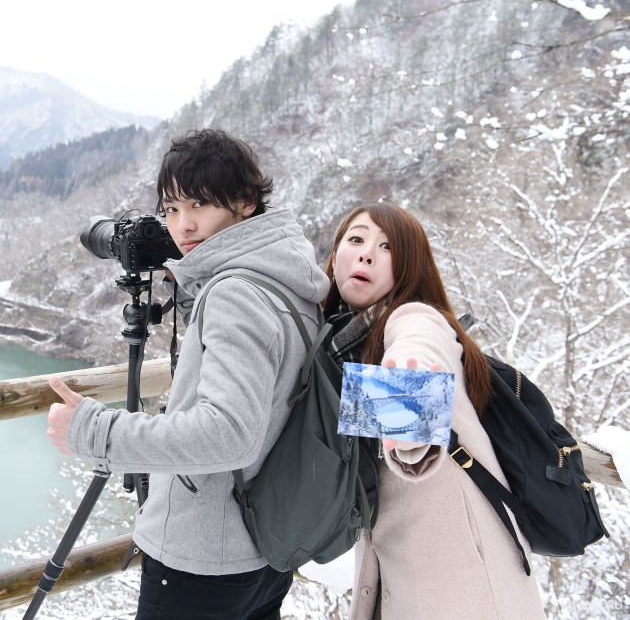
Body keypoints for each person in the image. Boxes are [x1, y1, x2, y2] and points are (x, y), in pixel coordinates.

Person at [46, 128, 330, 619]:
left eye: (198, 203)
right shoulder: (290, 277)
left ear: (244, 202)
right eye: (171, 208)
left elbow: (227, 433)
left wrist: (95, 430)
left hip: (204, 556)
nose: (183, 224)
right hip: (265, 545)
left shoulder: (236, 293)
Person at [321, 202, 545, 619]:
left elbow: (417, 351)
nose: (366, 253)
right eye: (356, 239)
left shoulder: (413, 318)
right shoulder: (331, 341)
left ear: (410, 269)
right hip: (400, 571)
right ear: (334, 257)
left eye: (387, 247)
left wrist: (408, 420)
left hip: (465, 581)